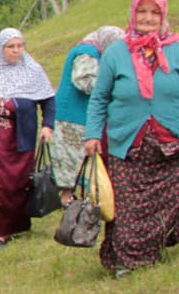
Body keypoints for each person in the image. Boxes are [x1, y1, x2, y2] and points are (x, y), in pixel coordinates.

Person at [84, 0, 179, 277]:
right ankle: (127, 262)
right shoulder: (117, 52)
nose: (147, 18)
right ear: (132, 14)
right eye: (142, 12)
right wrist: (92, 134)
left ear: (163, 16)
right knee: (129, 209)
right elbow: (100, 98)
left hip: (171, 139)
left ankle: (156, 242)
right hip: (127, 142)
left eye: (154, 13)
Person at [0, 28, 55, 247]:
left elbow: (48, 100)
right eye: (11, 47)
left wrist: (48, 126)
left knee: (9, 185)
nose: (16, 51)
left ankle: (2, 232)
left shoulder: (32, 70)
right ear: (1, 48)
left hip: (18, 138)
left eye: (19, 46)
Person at [53, 26, 125, 198]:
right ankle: (71, 204)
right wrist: (111, 87)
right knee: (73, 163)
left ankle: (81, 201)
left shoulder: (93, 49)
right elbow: (82, 81)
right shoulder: (87, 52)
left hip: (82, 114)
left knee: (81, 163)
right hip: (73, 115)